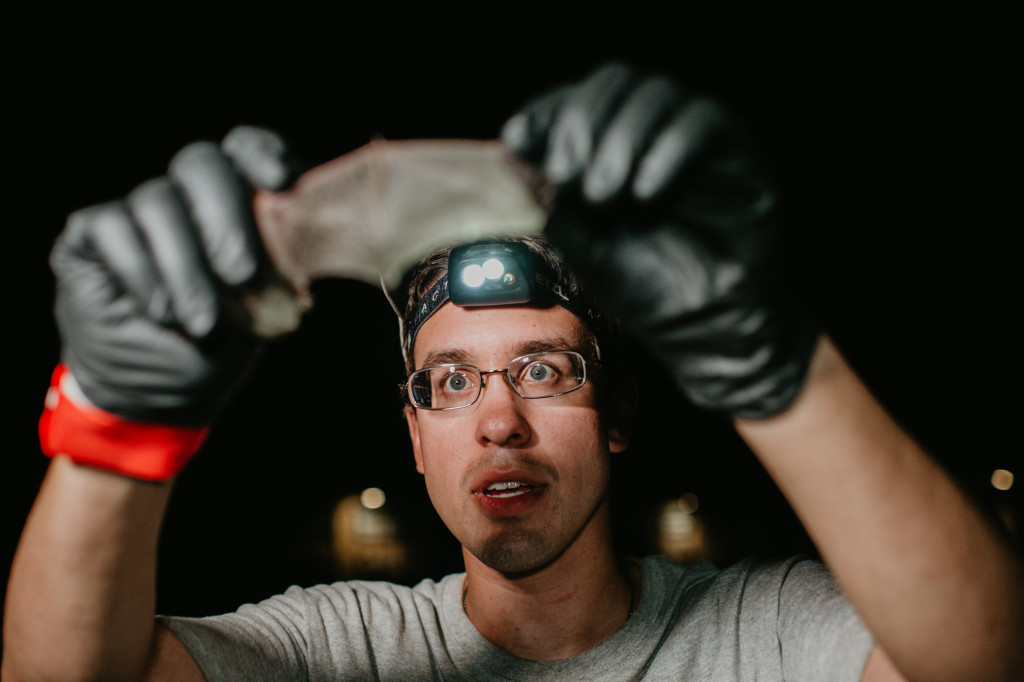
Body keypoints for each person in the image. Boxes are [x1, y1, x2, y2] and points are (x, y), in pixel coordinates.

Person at [3, 62, 1022, 681]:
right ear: (413, 431)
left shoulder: (766, 630)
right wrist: (113, 422)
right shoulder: (341, 648)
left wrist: (773, 361)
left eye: (542, 370)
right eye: (450, 381)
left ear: (616, 413)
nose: (497, 422)